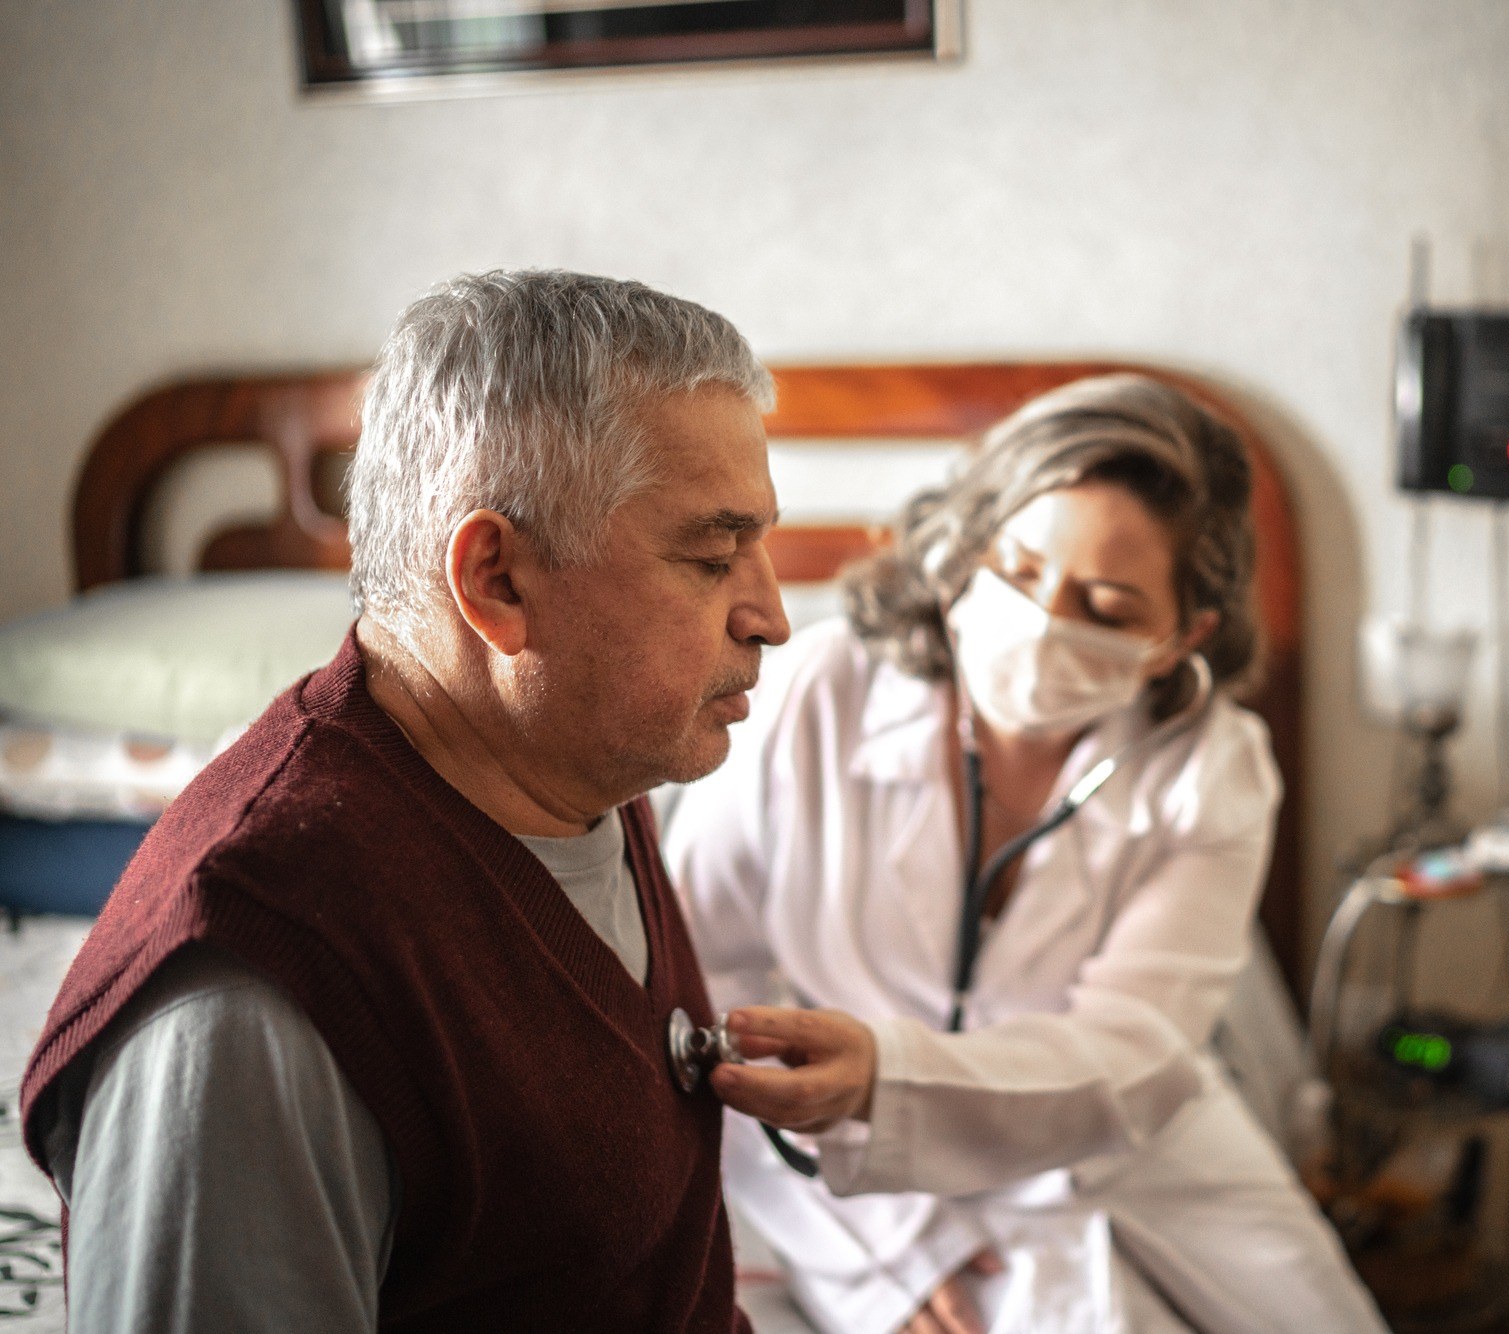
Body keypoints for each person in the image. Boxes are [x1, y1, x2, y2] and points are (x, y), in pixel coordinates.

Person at [18, 270, 795, 1330]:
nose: (771, 615)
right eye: (711, 558)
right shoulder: (258, 998)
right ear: (498, 582)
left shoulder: (579, 761)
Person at [666, 375, 1387, 1333]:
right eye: (1017, 566)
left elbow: (1134, 1043)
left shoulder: (1214, 768)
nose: (1044, 620)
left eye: (1106, 605)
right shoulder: (810, 700)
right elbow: (690, 994)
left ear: (1183, 639)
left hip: (1131, 1135)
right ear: (967, 545)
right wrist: (893, 1258)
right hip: (853, 1140)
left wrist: (895, 1073)